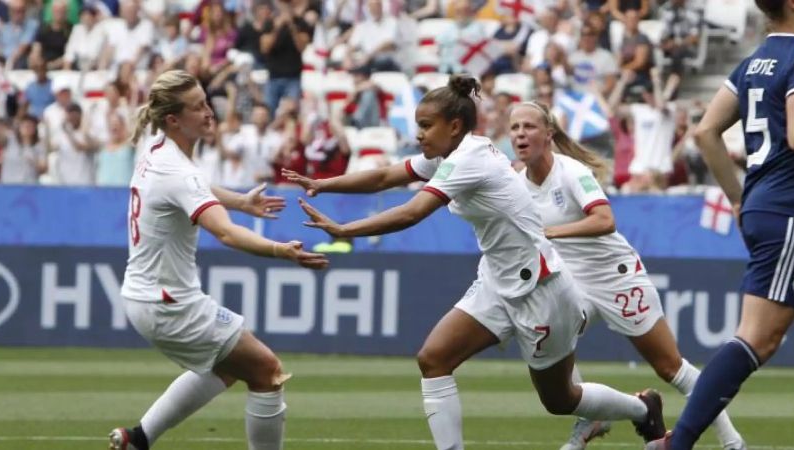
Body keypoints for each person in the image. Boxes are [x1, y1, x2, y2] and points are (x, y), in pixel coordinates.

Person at [286, 74, 667, 450]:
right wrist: (323, 184)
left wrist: (344, 230)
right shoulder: (449, 156)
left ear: (454, 126)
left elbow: (411, 212)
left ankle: (641, 408)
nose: (418, 134)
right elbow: (388, 175)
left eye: (425, 125)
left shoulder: (470, 160)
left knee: (561, 400)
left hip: (541, 288)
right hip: (497, 281)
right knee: (433, 359)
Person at [646, 0, 794, 447]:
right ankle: (677, 443)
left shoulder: (754, 62)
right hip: (791, 213)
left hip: (782, 212)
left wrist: (737, 197)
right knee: (758, 340)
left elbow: (706, 132)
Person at [108, 70, 329, 450]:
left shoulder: (158, 151)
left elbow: (196, 186)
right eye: (198, 108)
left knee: (227, 367)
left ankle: (137, 439)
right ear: (174, 119)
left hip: (148, 297)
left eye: (207, 102)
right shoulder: (178, 170)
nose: (209, 113)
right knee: (267, 370)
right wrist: (280, 250)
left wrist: (240, 200)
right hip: (169, 303)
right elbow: (225, 233)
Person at [508, 101, 746, 450]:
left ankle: (732, 441)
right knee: (556, 345)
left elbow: (605, 221)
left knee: (670, 367)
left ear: (548, 133)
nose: (519, 134)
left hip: (615, 276)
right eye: (514, 128)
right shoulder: (516, 183)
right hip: (573, 285)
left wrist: (551, 234)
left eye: (528, 127)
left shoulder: (571, 172)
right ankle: (592, 416)